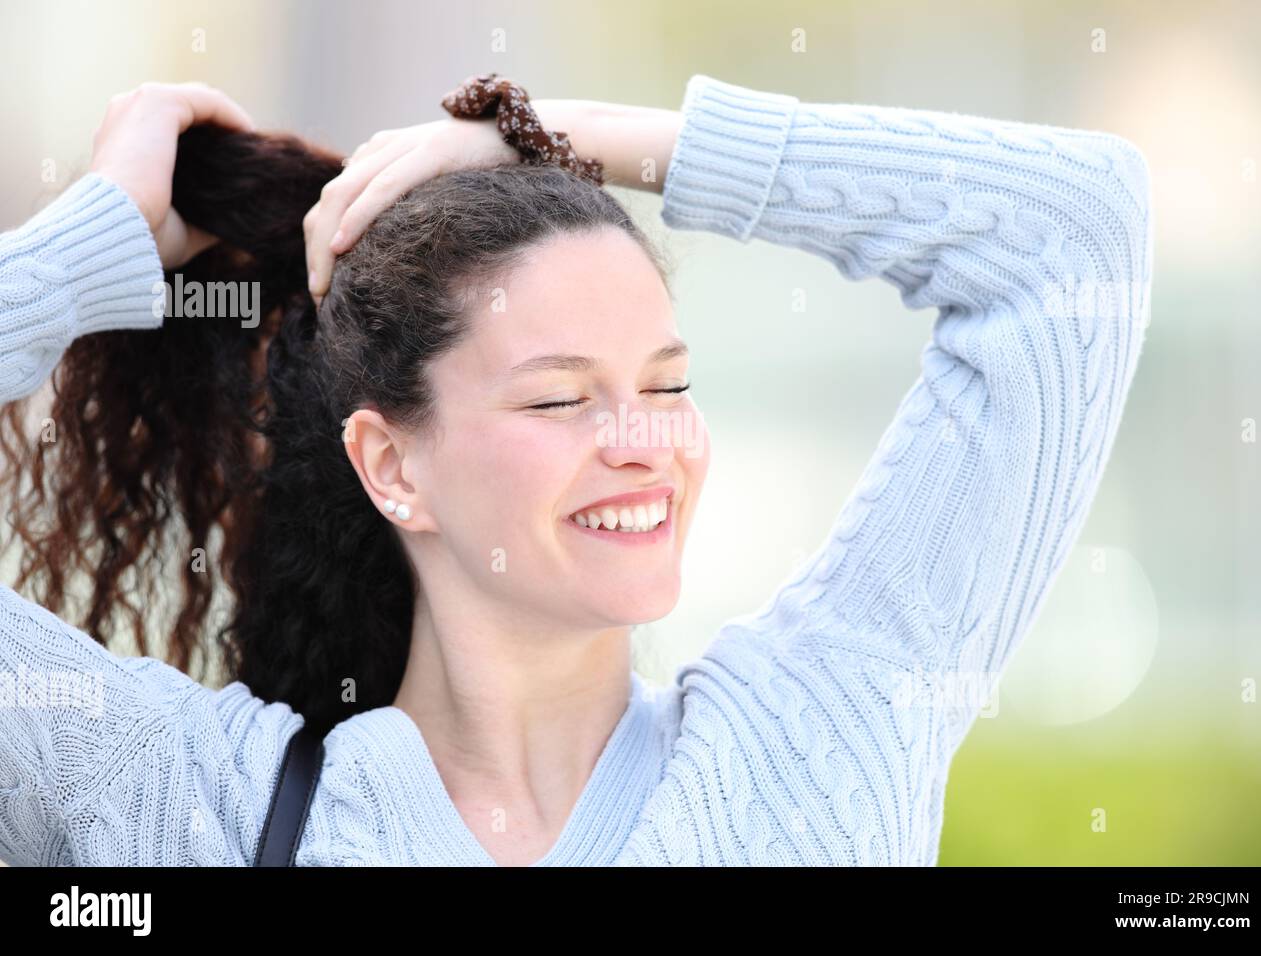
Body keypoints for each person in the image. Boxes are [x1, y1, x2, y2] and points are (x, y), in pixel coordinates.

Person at [0, 73, 1152, 866]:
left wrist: (547, 133)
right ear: (390, 465)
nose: (641, 440)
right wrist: (93, 241)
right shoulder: (190, 807)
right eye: (559, 397)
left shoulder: (819, 740)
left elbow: (1074, 231)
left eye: (667, 383)